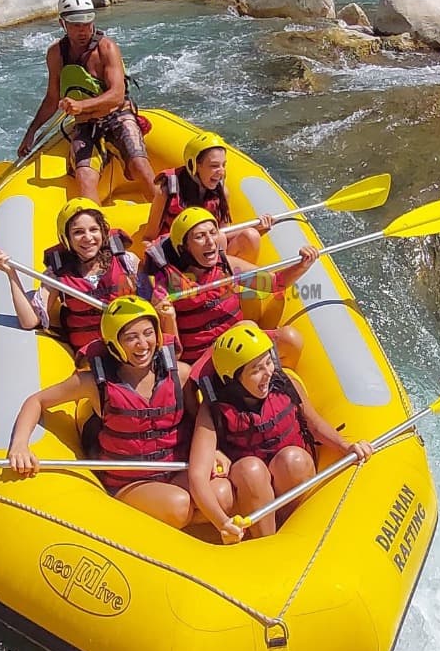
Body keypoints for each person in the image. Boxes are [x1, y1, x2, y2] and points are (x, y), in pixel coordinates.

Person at [7, 296, 234, 529]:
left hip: (176, 469)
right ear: (114, 343)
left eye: (148, 333)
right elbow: (37, 401)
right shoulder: (93, 383)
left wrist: (214, 450)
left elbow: (197, 419)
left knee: (223, 494)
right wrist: (19, 445)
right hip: (131, 480)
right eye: (131, 337)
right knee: (179, 506)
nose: (143, 344)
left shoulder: (181, 375)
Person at [188, 323, 374, 542]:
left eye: (268, 363)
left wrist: (347, 446)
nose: (268, 373)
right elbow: (197, 477)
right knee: (251, 469)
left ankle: (293, 529)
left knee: (293, 459)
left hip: (290, 476)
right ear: (233, 379)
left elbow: (314, 425)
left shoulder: (284, 382)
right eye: (256, 370)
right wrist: (223, 523)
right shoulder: (214, 411)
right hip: (251, 488)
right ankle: (267, 541)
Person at [16, 0, 157, 204]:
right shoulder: (56, 54)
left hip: (117, 116)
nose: (83, 30)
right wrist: (31, 133)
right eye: (76, 25)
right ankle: (97, 232)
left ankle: (164, 216)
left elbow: (117, 95)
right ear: (62, 24)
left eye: (87, 23)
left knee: (139, 164)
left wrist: (82, 105)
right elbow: (52, 98)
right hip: (85, 124)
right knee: (84, 177)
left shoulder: (106, 48)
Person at [0, 198, 161, 357]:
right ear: (67, 238)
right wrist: (11, 274)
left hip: (132, 349)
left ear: (103, 232)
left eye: (94, 230)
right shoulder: (57, 275)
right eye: (78, 232)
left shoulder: (127, 262)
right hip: (92, 354)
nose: (88, 238)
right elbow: (29, 321)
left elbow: (150, 304)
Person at [144, 206, 316, 365]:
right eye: (199, 236)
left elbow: (275, 283)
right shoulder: (165, 287)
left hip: (240, 345)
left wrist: (302, 265)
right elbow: (173, 355)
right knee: (248, 326)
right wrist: (168, 318)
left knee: (290, 340)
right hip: (201, 361)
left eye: (213, 233)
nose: (211, 242)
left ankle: (274, 380)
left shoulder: (227, 265)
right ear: (183, 248)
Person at [142, 131, 273, 261]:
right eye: (214, 166)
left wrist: (257, 226)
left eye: (223, 165)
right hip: (179, 256)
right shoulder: (167, 193)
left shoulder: (222, 192)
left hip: (209, 254)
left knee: (251, 236)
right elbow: (148, 239)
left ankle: (229, 278)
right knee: (218, 239)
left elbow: (224, 232)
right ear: (194, 165)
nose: (221, 171)